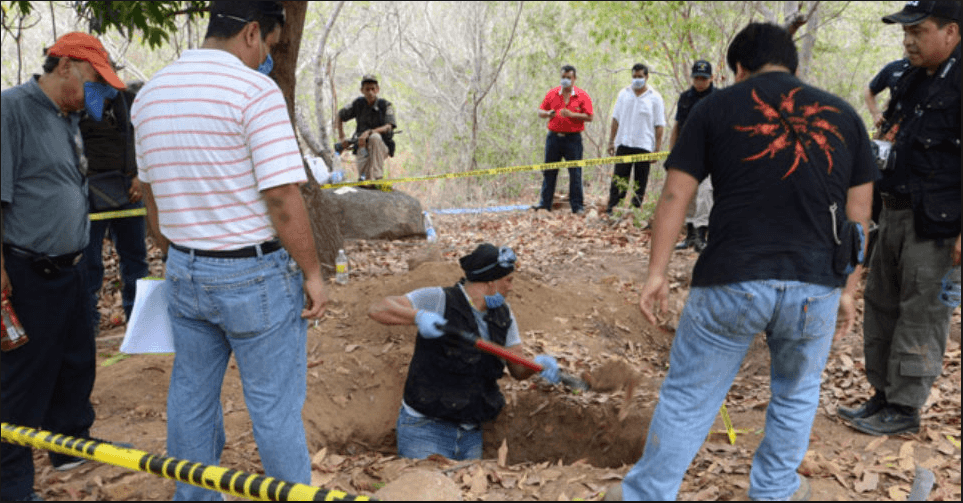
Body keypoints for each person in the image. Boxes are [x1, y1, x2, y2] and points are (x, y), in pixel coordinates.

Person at [606, 23, 877, 501]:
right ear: (793, 65)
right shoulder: (846, 116)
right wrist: (850, 289)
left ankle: (647, 496)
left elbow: (675, 195)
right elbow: (860, 214)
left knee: (689, 397)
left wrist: (656, 274)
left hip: (732, 278)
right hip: (816, 282)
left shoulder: (714, 108)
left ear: (737, 68)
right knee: (795, 395)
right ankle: (773, 491)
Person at [130, 2, 328, 499]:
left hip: (185, 270)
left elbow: (150, 197)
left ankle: (193, 495)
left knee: (191, 398)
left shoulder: (150, 95)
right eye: (270, 46)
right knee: (273, 406)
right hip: (253, 275)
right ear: (252, 33)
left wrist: (180, 251)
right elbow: (282, 197)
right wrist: (312, 272)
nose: (267, 57)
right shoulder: (254, 92)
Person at [2, 32, 127, 501]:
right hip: (29, 270)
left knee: (76, 363)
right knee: (21, 379)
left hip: (72, 268)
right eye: (95, 81)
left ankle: (71, 446)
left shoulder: (67, 117)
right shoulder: (12, 110)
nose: (98, 94)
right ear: (68, 66)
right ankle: (11, 484)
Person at [838, 0, 960, 437]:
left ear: (951, 32)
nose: (908, 39)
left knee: (921, 311)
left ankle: (906, 406)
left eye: (919, 30)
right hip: (892, 210)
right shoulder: (907, 78)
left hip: (938, 224)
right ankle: (883, 395)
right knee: (882, 303)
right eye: (905, 31)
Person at [368, 243, 562, 460]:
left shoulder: (503, 315)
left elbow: (516, 367)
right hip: (425, 430)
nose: (512, 287)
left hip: (471, 434)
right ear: (491, 282)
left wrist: (537, 365)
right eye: (508, 280)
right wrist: (418, 316)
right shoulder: (440, 299)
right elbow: (378, 308)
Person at [81, 80, 150, 335]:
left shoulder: (130, 101)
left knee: (136, 259)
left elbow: (142, 137)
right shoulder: (78, 104)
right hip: (90, 192)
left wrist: (139, 176)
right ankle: (89, 324)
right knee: (89, 262)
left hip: (129, 191)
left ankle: (140, 322)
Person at [532, 65, 594, 214]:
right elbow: (540, 111)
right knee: (549, 171)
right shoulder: (552, 93)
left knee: (575, 172)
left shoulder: (582, 95)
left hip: (573, 139)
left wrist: (573, 115)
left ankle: (577, 206)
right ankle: (545, 204)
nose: (565, 80)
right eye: (563, 77)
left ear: (574, 79)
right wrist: (547, 113)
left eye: (568, 77)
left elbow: (590, 117)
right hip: (553, 138)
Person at [605, 63, 665, 215]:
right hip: (624, 144)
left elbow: (659, 125)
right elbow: (615, 119)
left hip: (644, 146)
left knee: (640, 183)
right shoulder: (623, 94)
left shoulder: (655, 98)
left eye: (640, 77)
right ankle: (613, 210)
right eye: (634, 77)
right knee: (619, 180)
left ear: (647, 77)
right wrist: (611, 141)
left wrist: (657, 149)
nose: (637, 79)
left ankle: (634, 213)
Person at [671, 60, 717, 253]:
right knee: (689, 194)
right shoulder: (685, 98)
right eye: (697, 78)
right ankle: (689, 235)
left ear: (711, 78)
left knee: (706, 194)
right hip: (687, 152)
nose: (700, 82)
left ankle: (701, 235)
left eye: (703, 78)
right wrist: (672, 152)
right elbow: (677, 126)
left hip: (710, 153)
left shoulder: (718, 97)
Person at [335, 74, 397, 182]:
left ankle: (378, 177)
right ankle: (366, 179)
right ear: (361, 90)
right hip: (361, 145)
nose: (370, 92)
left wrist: (369, 132)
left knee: (375, 137)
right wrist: (342, 137)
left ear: (377, 90)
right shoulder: (358, 103)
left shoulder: (385, 105)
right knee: (364, 180)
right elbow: (340, 115)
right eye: (367, 89)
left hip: (381, 146)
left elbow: (389, 126)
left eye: (373, 89)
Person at [864, 57, 911, 130]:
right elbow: (869, 90)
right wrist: (876, 113)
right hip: (892, 126)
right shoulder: (895, 67)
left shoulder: (932, 69)